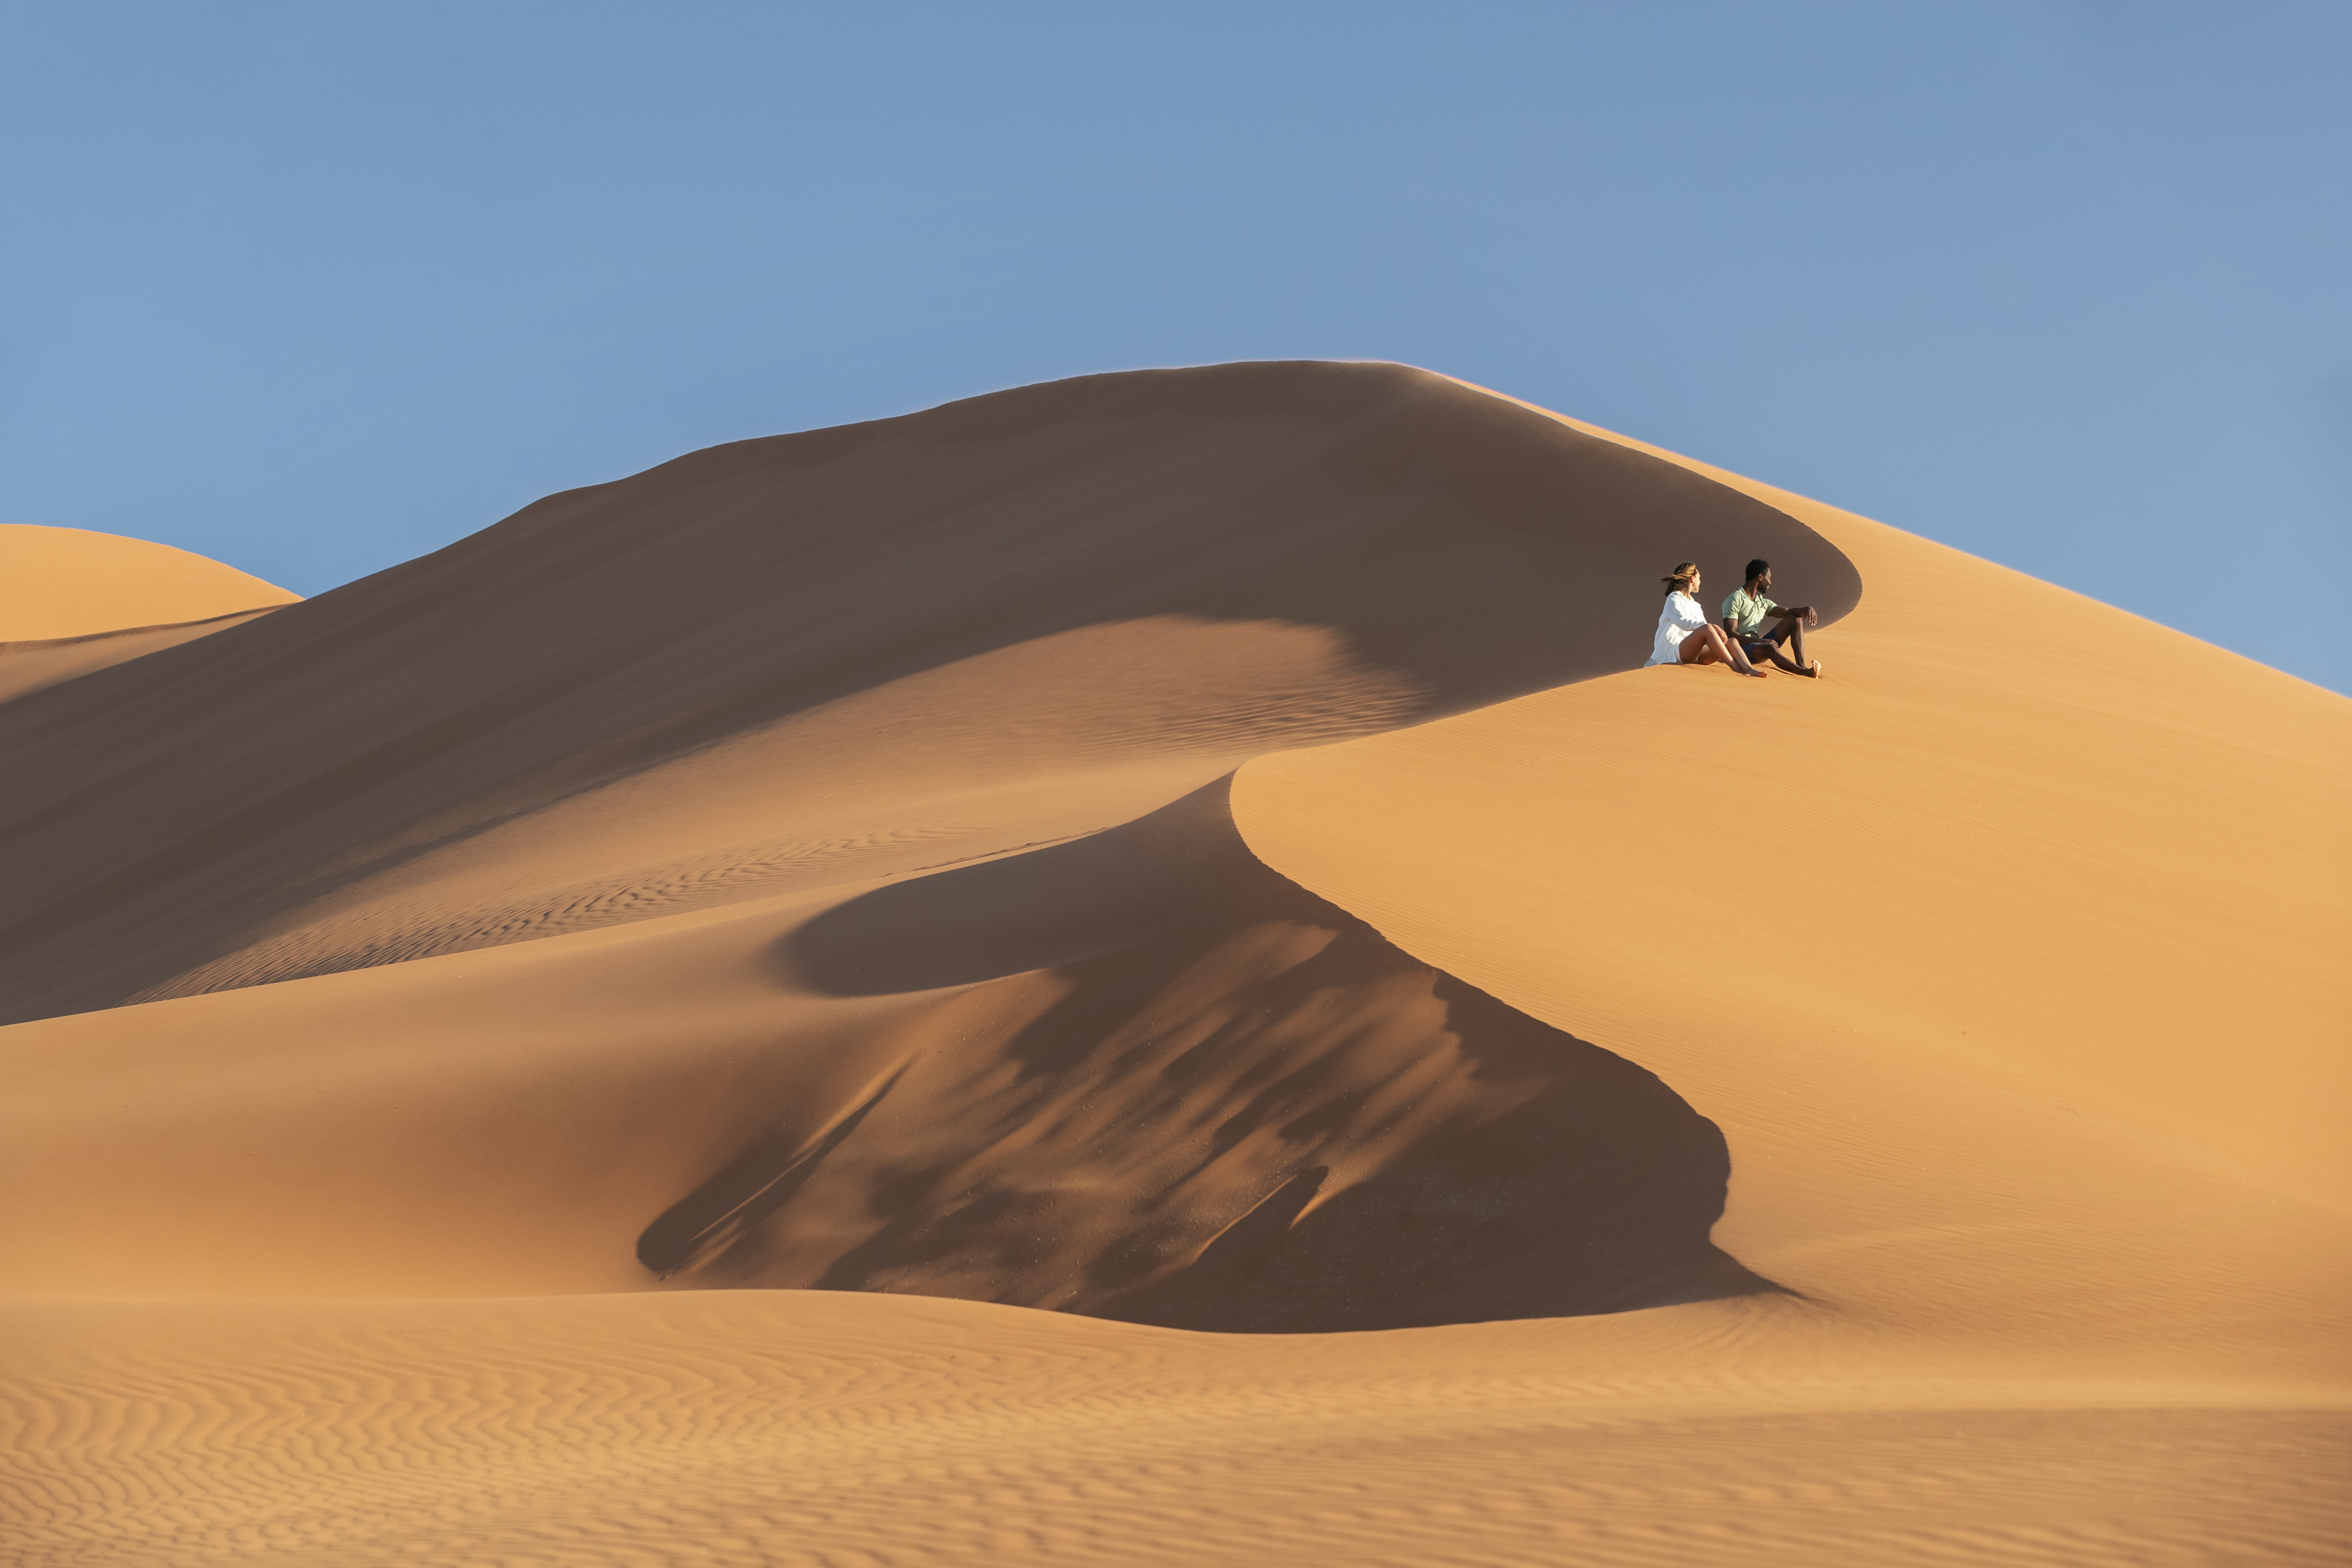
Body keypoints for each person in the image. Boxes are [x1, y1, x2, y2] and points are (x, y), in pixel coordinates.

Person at [1646, 562, 1766, 677]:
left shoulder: (1696, 605)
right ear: (1692, 578)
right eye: (1699, 577)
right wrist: (1713, 627)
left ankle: (1749, 669)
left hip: (1694, 652)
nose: (1700, 581)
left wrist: (1715, 633)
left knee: (1732, 642)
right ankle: (1736, 668)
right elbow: (1683, 622)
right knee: (1708, 628)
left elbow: (1704, 627)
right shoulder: (1674, 598)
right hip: (1674, 652)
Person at [1720, 558, 1823, 677]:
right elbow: (1730, 635)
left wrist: (1806, 609)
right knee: (1769, 648)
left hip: (1758, 647)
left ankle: (1802, 666)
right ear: (1760, 577)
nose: (1770, 583)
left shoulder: (1762, 602)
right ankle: (1806, 673)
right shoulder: (1735, 600)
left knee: (1795, 619)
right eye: (1769, 578)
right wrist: (1761, 641)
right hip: (1740, 652)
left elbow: (1789, 612)